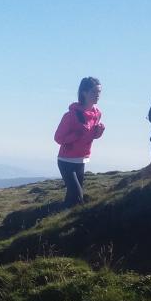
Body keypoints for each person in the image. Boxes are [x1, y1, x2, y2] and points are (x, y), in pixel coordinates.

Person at [54, 77, 105, 207]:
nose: (97, 95)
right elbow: (58, 138)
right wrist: (76, 135)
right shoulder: (71, 115)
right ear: (84, 93)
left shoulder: (97, 114)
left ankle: (58, 221)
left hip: (82, 160)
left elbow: (90, 136)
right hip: (66, 161)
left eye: (99, 92)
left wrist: (98, 132)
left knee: (72, 197)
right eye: (94, 92)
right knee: (78, 196)